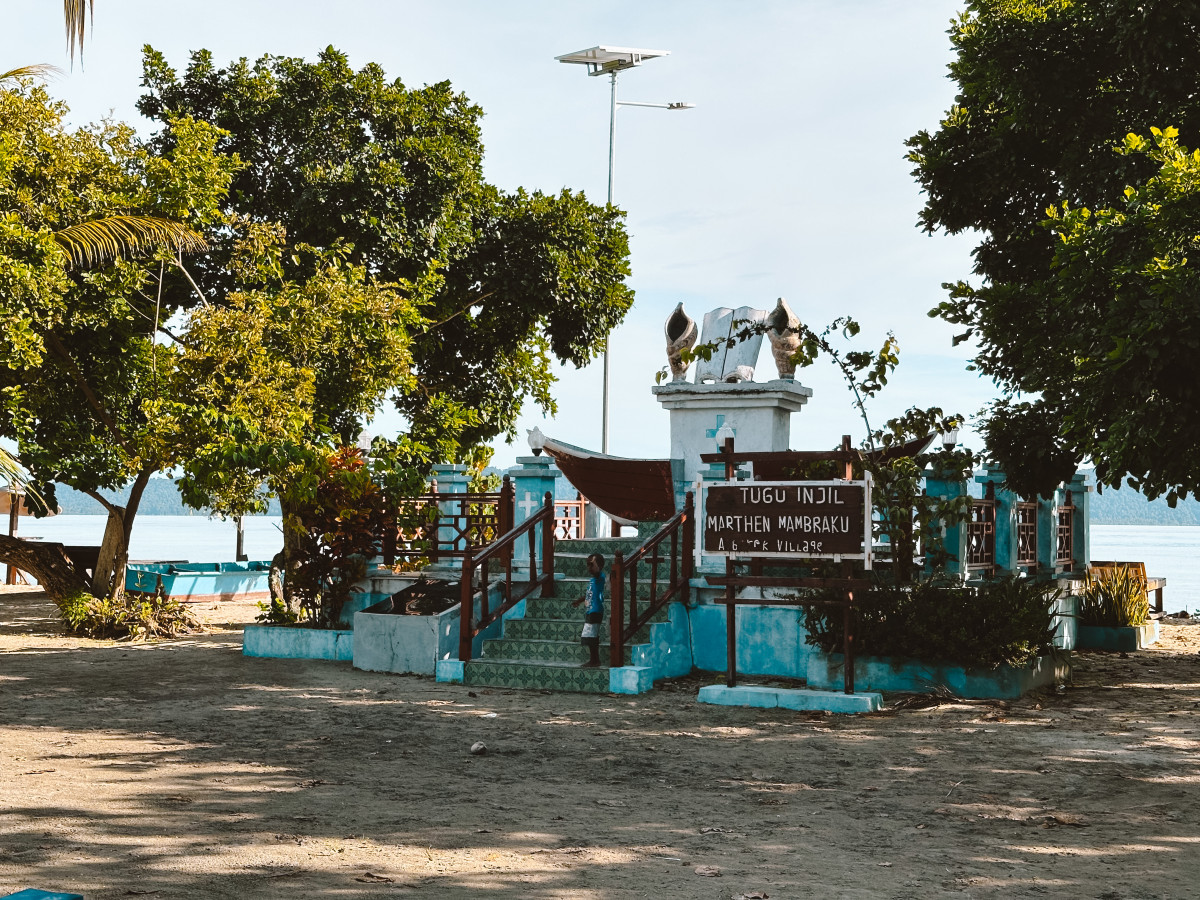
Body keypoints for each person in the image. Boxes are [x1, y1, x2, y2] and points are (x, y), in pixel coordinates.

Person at [573, 552, 605, 668]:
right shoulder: (592, 580)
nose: (589, 568)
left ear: (600, 567)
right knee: (590, 636)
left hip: (596, 611)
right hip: (590, 611)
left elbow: (598, 577)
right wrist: (579, 600)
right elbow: (589, 594)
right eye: (588, 565)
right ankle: (594, 659)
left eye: (592, 565)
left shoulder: (599, 578)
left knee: (591, 636)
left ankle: (595, 660)